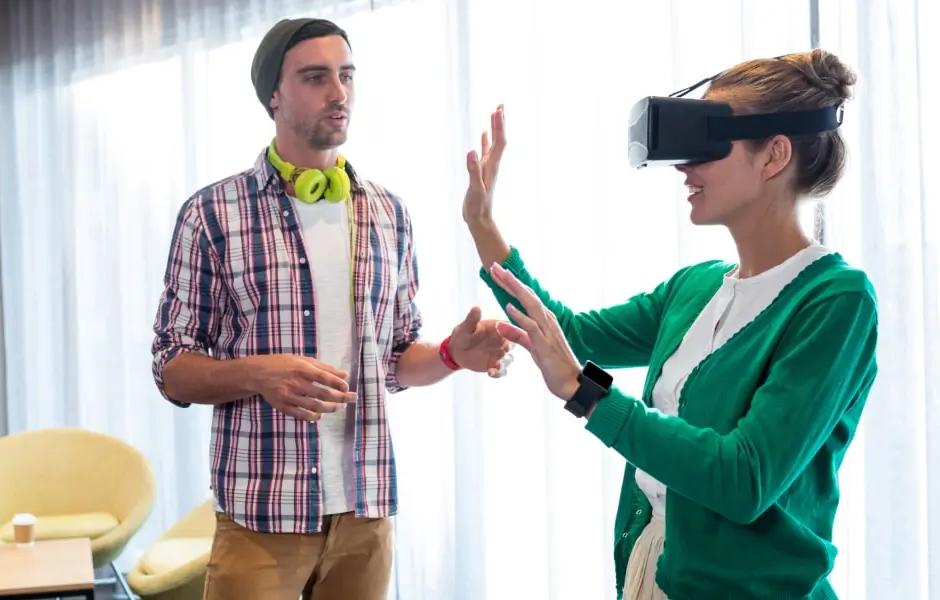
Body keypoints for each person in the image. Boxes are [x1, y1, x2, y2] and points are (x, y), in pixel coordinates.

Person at [464, 50, 876, 599]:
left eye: (705, 145)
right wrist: (481, 224)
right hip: (655, 572)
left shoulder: (835, 300)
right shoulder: (695, 286)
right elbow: (570, 336)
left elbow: (744, 478)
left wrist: (586, 393)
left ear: (773, 155)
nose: (685, 167)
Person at [151, 17, 513, 600]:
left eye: (346, 76)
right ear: (273, 95)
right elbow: (170, 367)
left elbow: (394, 360)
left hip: (367, 512)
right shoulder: (212, 214)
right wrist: (255, 374)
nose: (338, 93)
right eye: (316, 77)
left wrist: (451, 354)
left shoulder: (387, 212)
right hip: (263, 515)